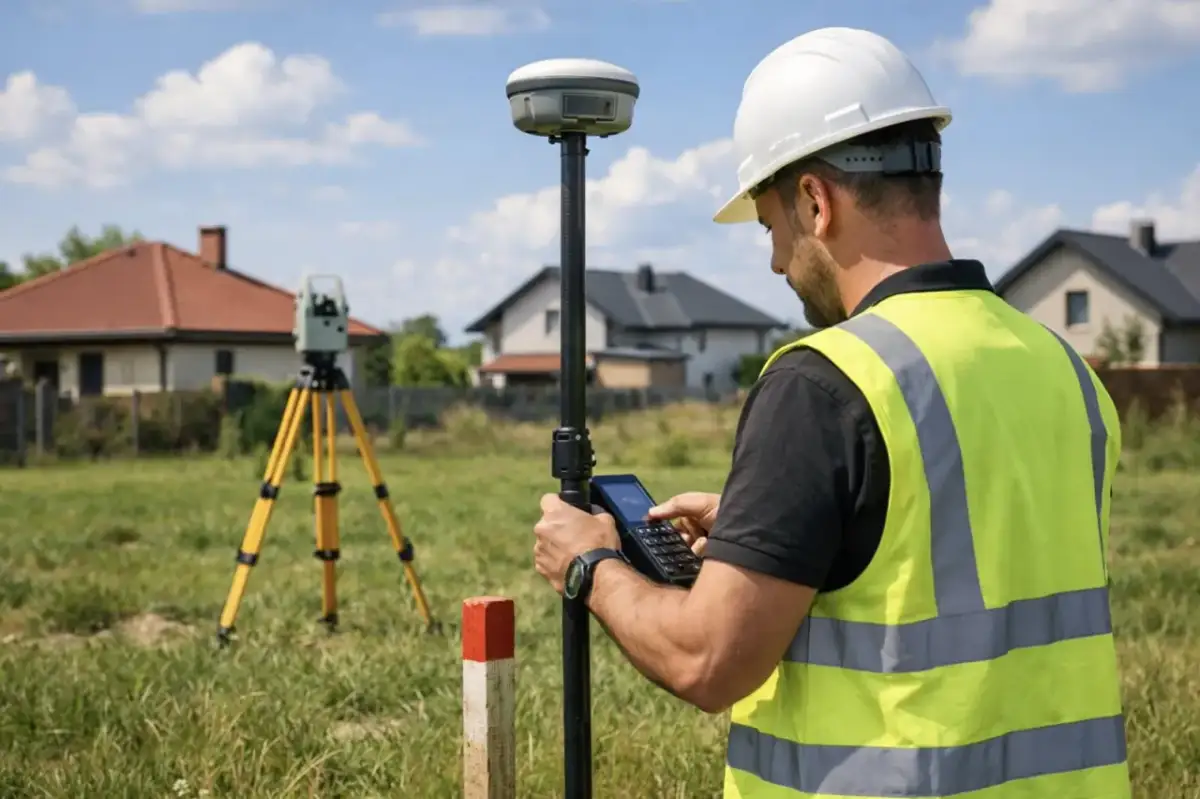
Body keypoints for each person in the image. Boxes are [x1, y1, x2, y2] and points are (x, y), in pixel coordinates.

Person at [532, 26, 1132, 798]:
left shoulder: (825, 383)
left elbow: (707, 659)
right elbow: (969, 546)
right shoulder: (1064, 370)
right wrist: (784, 531)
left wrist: (592, 565)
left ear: (815, 202)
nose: (775, 260)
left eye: (771, 227)